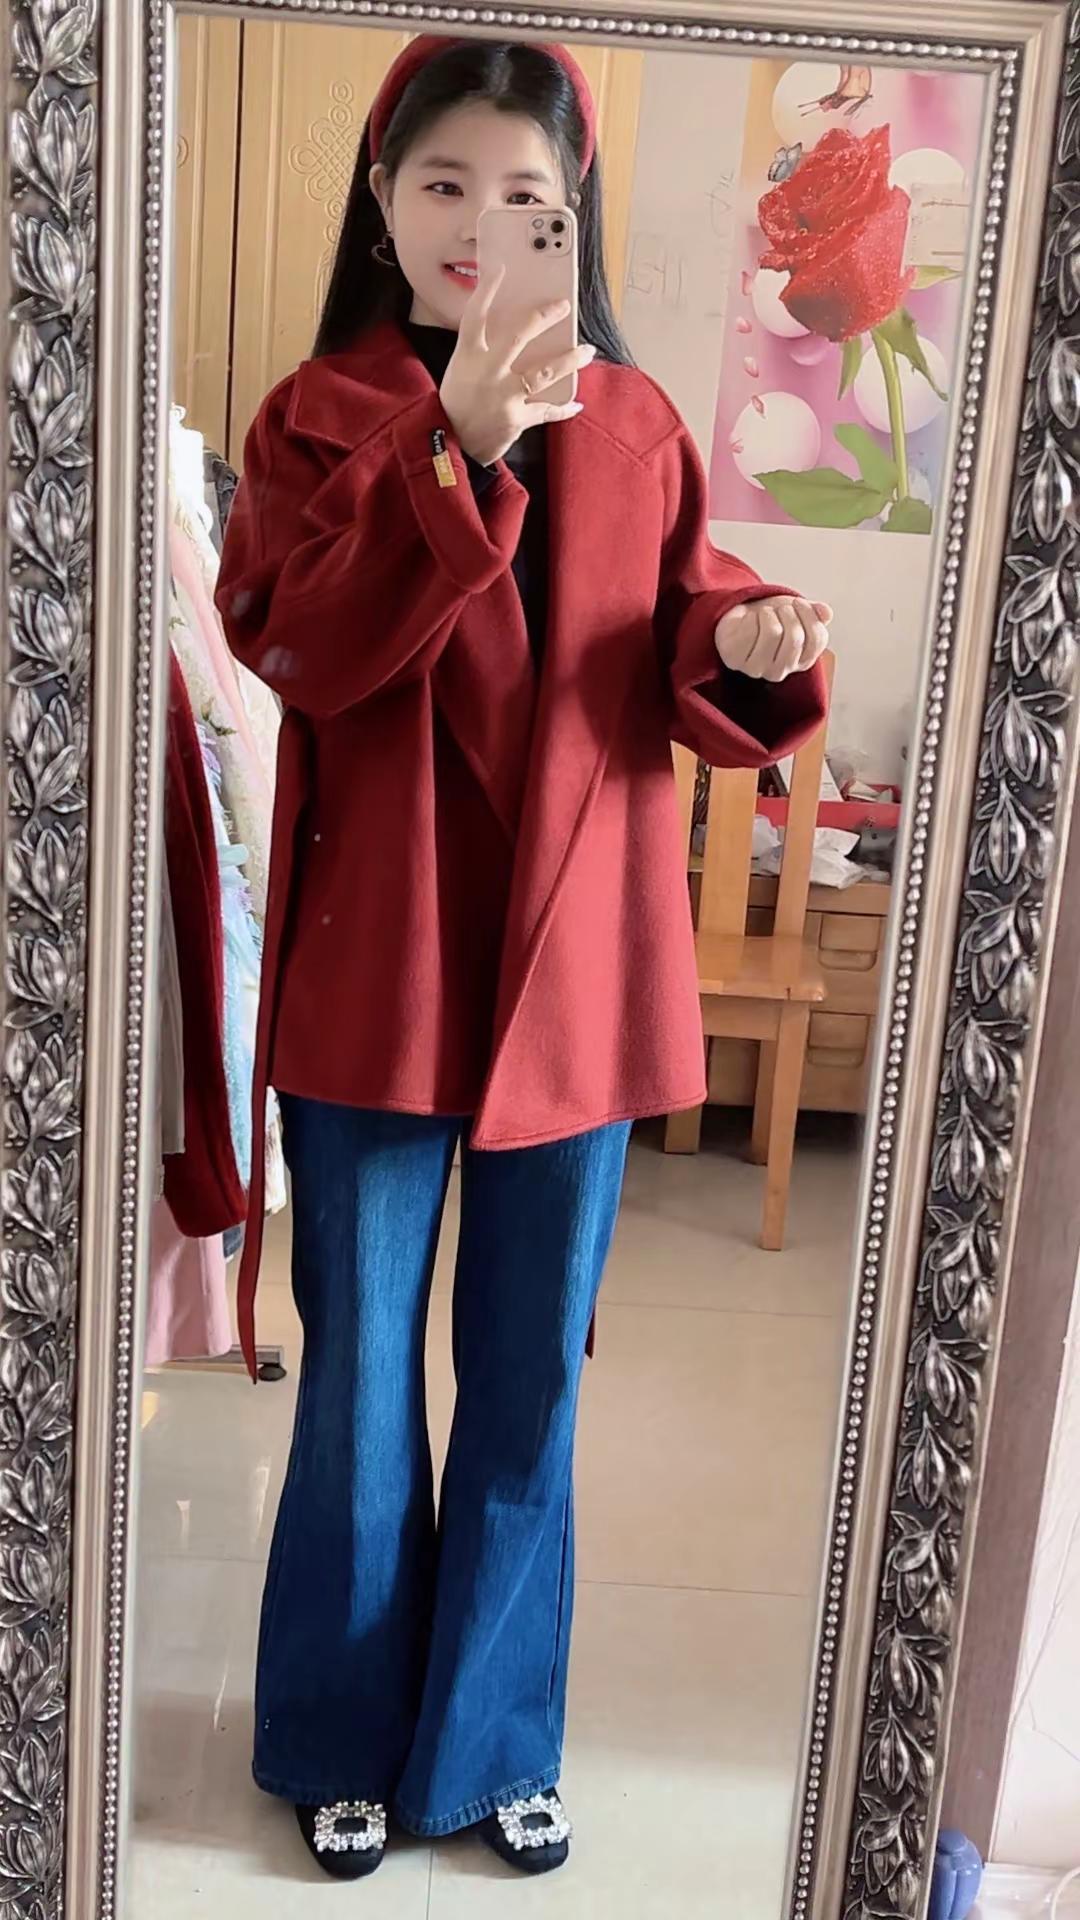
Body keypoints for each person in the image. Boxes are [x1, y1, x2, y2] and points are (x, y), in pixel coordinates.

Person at [216, 33, 832, 1881]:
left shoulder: (636, 426)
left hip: (578, 976)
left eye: (529, 198)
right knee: (356, 1386)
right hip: (380, 972)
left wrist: (753, 641)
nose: (483, 227)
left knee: (532, 1377)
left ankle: (491, 1742)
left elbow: (683, 628)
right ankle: (334, 1733)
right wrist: (456, 447)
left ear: (578, 222)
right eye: (444, 185)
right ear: (380, 200)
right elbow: (294, 639)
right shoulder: (316, 417)